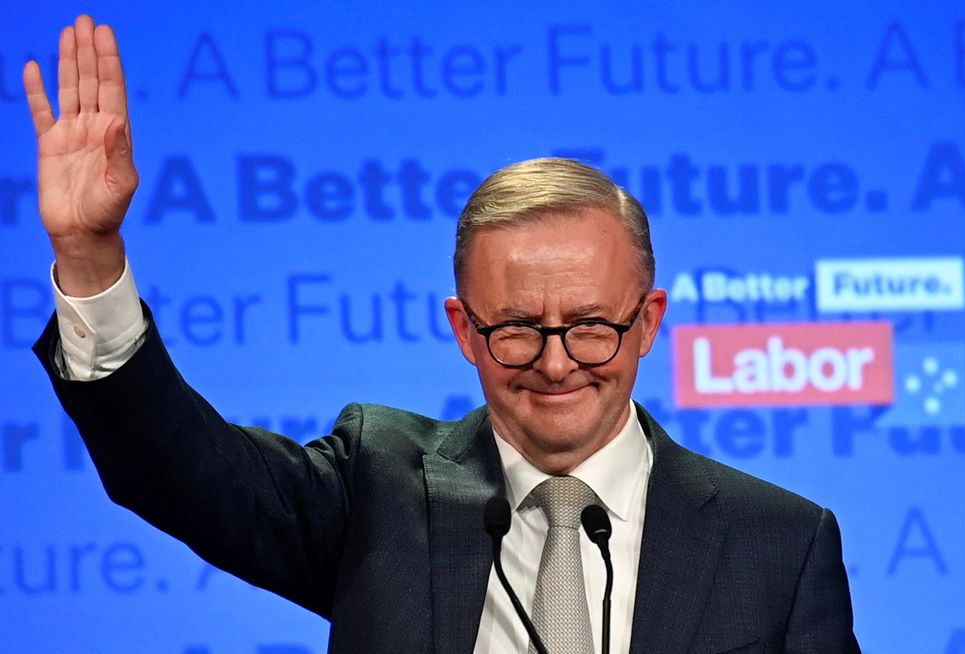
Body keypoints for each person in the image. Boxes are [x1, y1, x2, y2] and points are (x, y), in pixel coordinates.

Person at [26, 15, 860, 654]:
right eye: (519, 330)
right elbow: (177, 470)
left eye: (591, 327)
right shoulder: (378, 489)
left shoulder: (779, 543)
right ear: (463, 328)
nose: (557, 362)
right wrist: (91, 257)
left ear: (648, 322)